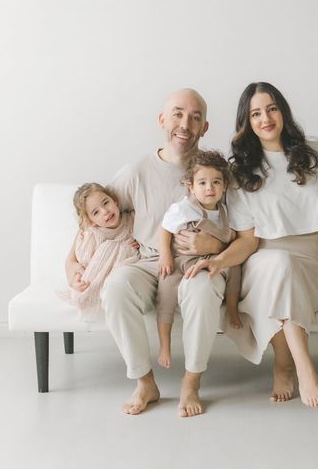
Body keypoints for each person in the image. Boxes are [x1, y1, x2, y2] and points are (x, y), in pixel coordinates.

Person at [67, 89, 226, 417]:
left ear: (205, 127)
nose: (186, 123)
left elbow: (240, 229)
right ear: (162, 120)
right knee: (116, 288)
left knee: (201, 291)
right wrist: (71, 264)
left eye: (195, 117)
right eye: (178, 114)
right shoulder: (136, 172)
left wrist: (215, 247)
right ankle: (144, 382)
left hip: (199, 263)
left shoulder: (213, 172)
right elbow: (94, 218)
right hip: (148, 262)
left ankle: (191, 382)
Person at [186, 82, 318, 408]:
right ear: (246, 122)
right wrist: (221, 261)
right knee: (280, 265)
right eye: (255, 113)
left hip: (312, 260)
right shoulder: (240, 171)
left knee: (289, 269)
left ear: (283, 111)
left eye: (271, 108)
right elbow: (248, 241)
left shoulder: (317, 153)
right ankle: (301, 367)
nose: (265, 118)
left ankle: (284, 363)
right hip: (264, 257)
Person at [156, 150, 242, 369]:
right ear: (191, 186)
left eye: (216, 182)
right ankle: (164, 344)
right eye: (202, 183)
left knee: (236, 267)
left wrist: (228, 239)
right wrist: (165, 256)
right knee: (165, 292)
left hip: (208, 259)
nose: (209, 188)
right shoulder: (183, 209)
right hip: (181, 260)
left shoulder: (224, 211)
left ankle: (232, 308)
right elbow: (164, 231)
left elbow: (229, 235)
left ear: (224, 186)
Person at [61, 183, 138, 322]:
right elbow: (80, 262)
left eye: (106, 203)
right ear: (91, 221)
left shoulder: (132, 221)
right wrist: (75, 281)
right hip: (95, 279)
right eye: (96, 212)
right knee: (107, 248)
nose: (105, 212)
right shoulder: (90, 234)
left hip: (122, 280)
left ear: (114, 200)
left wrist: (130, 249)